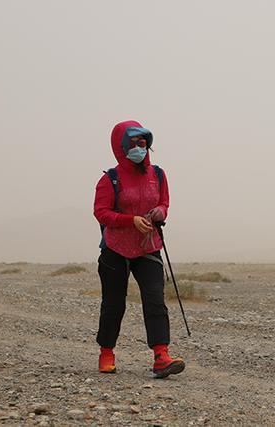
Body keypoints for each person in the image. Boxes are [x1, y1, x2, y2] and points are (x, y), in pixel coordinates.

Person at [93, 120, 185, 379]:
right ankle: (107, 352)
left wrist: (160, 212)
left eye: (142, 143)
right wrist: (130, 220)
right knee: (113, 304)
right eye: (132, 143)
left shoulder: (158, 174)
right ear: (121, 146)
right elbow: (101, 212)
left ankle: (161, 356)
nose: (139, 148)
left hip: (149, 247)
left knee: (155, 299)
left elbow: (164, 202)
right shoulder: (109, 179)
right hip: (115, 250)